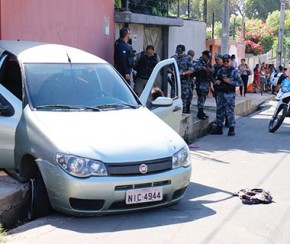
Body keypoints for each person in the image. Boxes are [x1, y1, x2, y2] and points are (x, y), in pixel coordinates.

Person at [210, 54, 242, 136]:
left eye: (227, 61)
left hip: (229, 94)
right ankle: (219, 128)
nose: (226, 63)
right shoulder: (220, 70)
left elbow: (240, 83)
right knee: (219, 110)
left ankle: (231, 128)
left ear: (230, 61)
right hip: (220, 93)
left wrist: (230, 81)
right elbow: (216, 79)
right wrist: (217, 82)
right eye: (224, 61)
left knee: (229, 111)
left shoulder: (234, 71)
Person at [171, 44, 194, 114]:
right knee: (173, 98)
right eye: (178, 53)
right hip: (174, 82)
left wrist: (182, 73)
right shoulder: (173, 58)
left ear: (184, 51)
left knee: (184, 100)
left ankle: (183, 113)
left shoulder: (188, 58)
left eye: (180, 53)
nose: (179, 54)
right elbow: (168, 68)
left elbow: (191, 70)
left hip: (184, 83)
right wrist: (172, 72)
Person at [193, 50, 213, 120]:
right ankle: (200, 112)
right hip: (200, 82)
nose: (208, 59)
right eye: (207, 57)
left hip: (206, 83)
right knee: (201, 97)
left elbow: (211, 70)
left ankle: (201, 111)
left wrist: (209, 70)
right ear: (203, 55)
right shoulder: (198, 61)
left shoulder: (206, 62)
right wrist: (202, 68)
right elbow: (194, 68)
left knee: (203, 98)